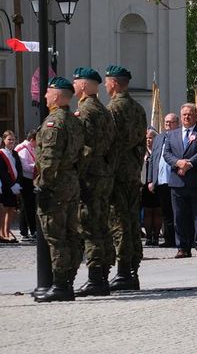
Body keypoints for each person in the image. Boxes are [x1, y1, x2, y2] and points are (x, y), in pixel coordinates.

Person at [34, 77, 85, 302]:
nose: (44, 97)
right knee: (72, 234)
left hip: (56, 184)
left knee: (56, 236)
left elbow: (49, 158)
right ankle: (68, 281)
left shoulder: (54, 122)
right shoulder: (74, 121)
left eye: (47, 93)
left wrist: (44, 185)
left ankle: (61, 284)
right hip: (71, 181)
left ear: (57, 96)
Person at [73, 67, 117, 297]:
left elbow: (84, 147)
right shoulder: (102, 109)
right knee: (102, 224)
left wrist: (75, 169)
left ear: (83, 85)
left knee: (89, 226)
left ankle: (95, 278)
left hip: (90, 175)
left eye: (76, 81)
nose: (73, 85)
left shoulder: (85, 110)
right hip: (104, 173)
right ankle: (102, 275)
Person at [105, 64, 148, 291]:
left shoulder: (113, 109)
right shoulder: (138, 108)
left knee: (119, 221)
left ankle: (123, 271)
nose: (105, 85)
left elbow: (108, 143)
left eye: (107, 81)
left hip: (116, 172)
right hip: (132, 171)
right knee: (132, 220)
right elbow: (141, 142)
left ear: (114, 83)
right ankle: (133, 269)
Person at [164, 103, 197, 258]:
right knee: (179, 217)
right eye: (184, 115)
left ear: (195, 116)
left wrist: (188, 163)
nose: (187, 117)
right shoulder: (172, 134)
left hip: (195, 180)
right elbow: (167, 154)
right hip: (177, 181)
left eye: (190, 114)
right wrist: (178, 163)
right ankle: (182, 247)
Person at [147, 113, 179, 247]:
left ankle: (181, 239)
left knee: (178, 211)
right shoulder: (159, 138)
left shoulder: (178, 136)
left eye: (171, 122)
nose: (168, 125)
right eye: (166, 122)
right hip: (161, 181)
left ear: (177, 123)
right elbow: (153, 159)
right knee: (165, 212)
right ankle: (169, 239)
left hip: (175, 179)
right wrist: (150, 180)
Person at [141, 128, 163, 246]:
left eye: (151, 138)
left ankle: (156, 237)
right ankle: (149, 237)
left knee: (158, 211)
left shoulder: (159, 150)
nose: (148, 140)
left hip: (156, 183)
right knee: (147, 211)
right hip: (144, 184)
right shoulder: (142, 151)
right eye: (147, 138)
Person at [14, 128, 37, 241]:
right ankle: (28, 231)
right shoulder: (23, 149)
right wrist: (36, 166)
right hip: (25, 180)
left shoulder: (30, 147)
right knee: (27, 207)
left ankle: (27, 231)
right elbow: (25, 166)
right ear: (32, 139)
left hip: (29, 180)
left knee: (28, 206)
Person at [0, 130, 22, 242]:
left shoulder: (15, 153)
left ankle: (7, 232)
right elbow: (2, 172)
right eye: (9, 139)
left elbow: (19, 169)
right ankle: (2, 234)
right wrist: (11, 184)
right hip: (5, 185)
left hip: (15, 185)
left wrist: (17, 182)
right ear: (4, 140)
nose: (11, 142)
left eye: (13, 139)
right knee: (4, 209)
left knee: (12, 209)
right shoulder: (1, 153)